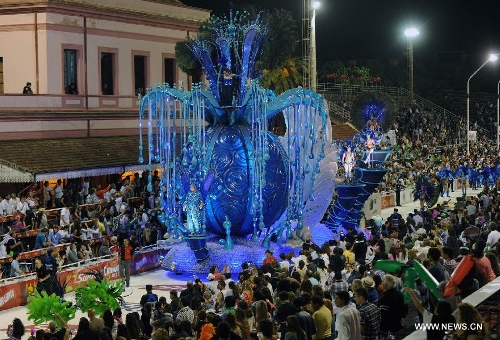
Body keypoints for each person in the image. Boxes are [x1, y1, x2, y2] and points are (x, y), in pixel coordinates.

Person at [378, 275, 405, 340]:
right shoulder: (400, 294)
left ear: (385, 285)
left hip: (388, 329)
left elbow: (383, 315)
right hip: (399, 326)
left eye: (382, 282)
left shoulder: (384, 298)